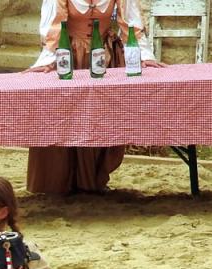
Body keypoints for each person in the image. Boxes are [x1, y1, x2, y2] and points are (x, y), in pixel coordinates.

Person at [25, 0, 164, 195]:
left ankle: (94, 179)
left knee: (101, 119)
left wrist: (144, 55)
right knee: (66, 118)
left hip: (104, 58)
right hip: (70, 58)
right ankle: (61, 181)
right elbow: (53, 25)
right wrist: (48, 58)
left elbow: (130, 22)